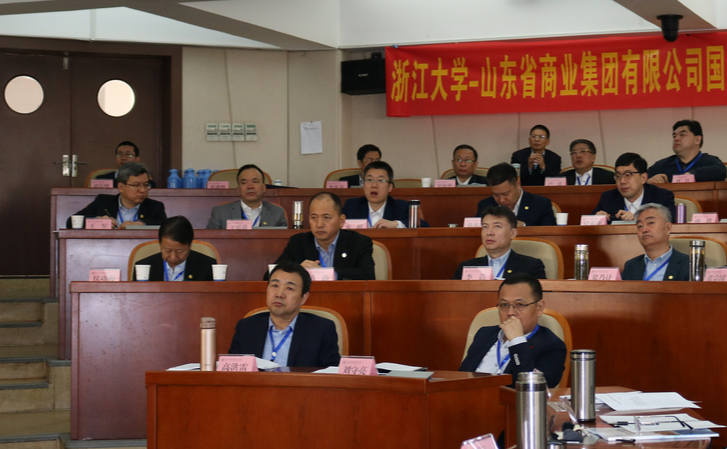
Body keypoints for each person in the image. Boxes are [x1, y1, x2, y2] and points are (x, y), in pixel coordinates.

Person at [460, 274, 566, 388]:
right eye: (504, 305)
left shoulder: (552, 346)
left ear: (539, 308)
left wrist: (517, 341)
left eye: (520, 305)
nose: (510, 312)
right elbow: (462, 376)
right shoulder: (485, 334)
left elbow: (532, 387)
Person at [229, 261, 340, 367]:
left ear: (304, 298)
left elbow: (332, 373)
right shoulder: (246, 327)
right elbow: (231, 372)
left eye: (289, 288)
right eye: (275, 286)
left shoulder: (321, 330)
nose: (279, 294)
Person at [265, 192, 375, 280]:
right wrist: (297, 271)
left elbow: (368, 275)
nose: (319, 224)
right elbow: (269, 276)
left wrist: (327, 274)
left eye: (326, 217)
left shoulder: (359, 242)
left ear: (341, 221)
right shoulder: (298, 242)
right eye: (314, 217)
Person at [452, 207, 546, 280]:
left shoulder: (531, 266)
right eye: (485, 227)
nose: (489, 232)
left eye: (497, 226)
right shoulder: (466, 267)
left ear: (512, 233)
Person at [66, 162, 166, 228]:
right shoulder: (103, 202)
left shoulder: (154, 206)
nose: (142, 190)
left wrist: (141, 225)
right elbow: (71, 222)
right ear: (121, 187)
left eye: (145, 185)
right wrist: (97, 221)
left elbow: (165, 226)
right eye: (136, 185)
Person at [592, 153, 676, 223]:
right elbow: (588, 222)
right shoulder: (608, 198)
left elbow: (671, 221)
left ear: (643, 178)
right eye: (618, 175)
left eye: (628, 175)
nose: (622, 181)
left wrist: (637, 219)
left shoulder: (662, 196)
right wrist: (596, 219)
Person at [342, 161, 429, 228]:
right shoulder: (352, 206)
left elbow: (424, 226)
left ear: (390, 187)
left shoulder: (402, 207)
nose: (374, 185)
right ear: (364, 185)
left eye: (380, 180)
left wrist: (396, 224)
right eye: (369, 180)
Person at [133, 216, 216, 281]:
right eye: (167, 250)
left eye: (180, 251)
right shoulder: (143, 267)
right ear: (160, 244)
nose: (173, 257)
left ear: (189, 245)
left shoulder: (207, 266)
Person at [206, 164, 288, 229]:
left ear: (263, 188)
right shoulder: (221, 213)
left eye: (255, 182)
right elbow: (210, 241)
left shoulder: (277, 212)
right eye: (244, 183)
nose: (250, 186)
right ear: (238, 189)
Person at [621, 203, 689, 281]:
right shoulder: (631, 266)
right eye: (640, 226)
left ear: (668, 228)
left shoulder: (689, 265)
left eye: (650, 223)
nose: (644, 230)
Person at [476, 163, 556, 226]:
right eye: (495, 195)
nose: (501, 200)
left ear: (518, 185)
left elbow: (550, 234)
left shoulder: (541, 204)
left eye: (506, 194)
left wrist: (524, 227)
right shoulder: (485, 205)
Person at [647, 119, 726, 183]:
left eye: (682, 135)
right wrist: (648, 181)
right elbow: (642, 178)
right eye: (674, 136)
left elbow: (721, 171)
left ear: (697, 140)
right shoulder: (662, 165)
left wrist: (691, 175)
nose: (676, 139)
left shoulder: (709, 161)